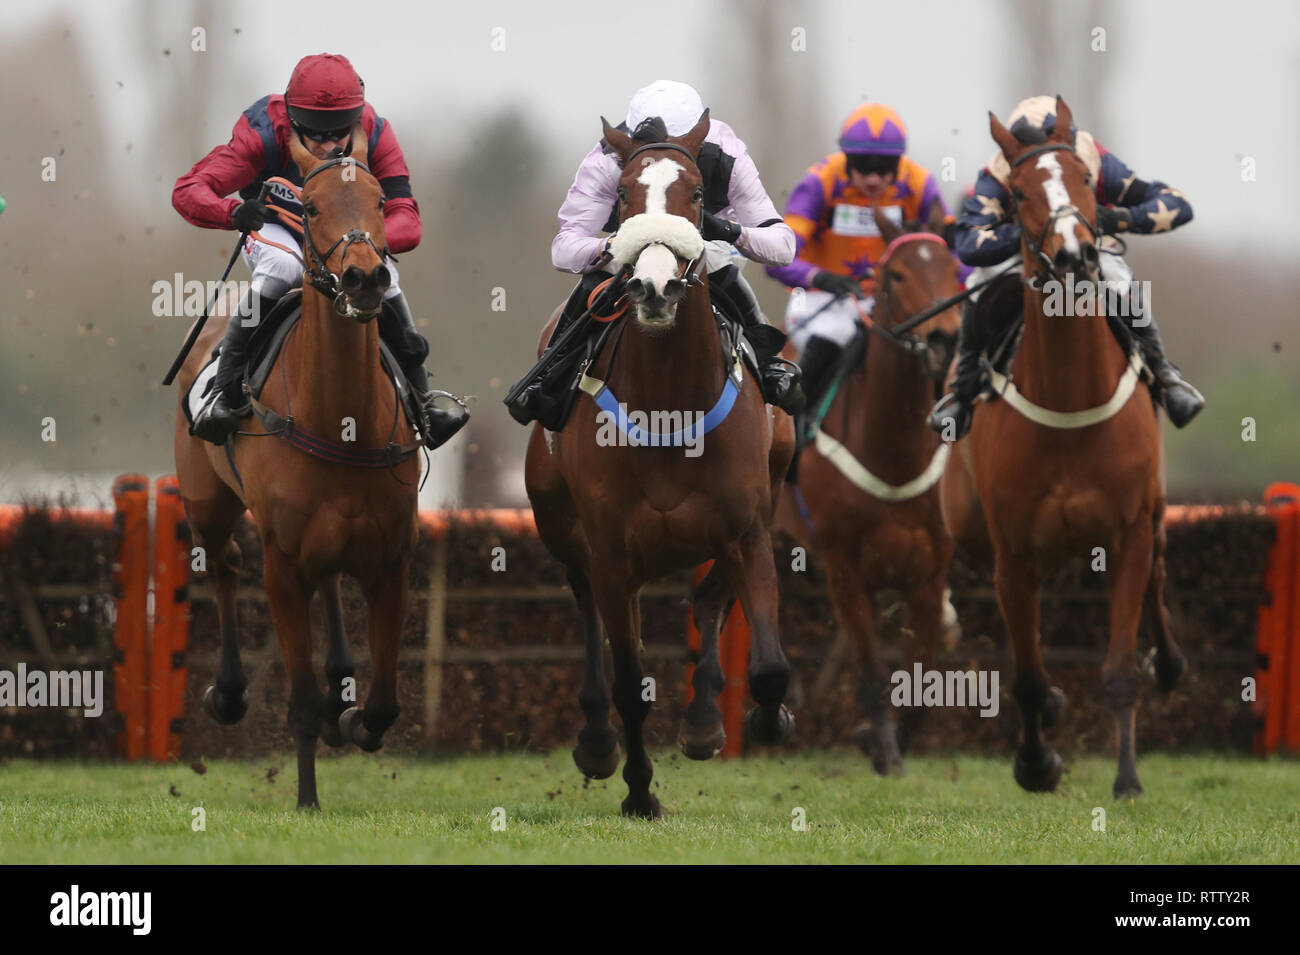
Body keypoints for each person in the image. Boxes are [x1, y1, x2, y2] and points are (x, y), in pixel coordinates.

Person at [172, 52, 467, 447]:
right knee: (283, 269)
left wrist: (360, 243)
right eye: (316, 133)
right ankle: (223, 393)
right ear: (292, 120)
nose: (329, 145)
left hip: (345, 237)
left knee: (386, 275)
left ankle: (424, 402)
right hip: (276, 228)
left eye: (338, 132)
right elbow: (188, 191)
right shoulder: (261, 134)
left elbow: (407, 219)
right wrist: (234, 212)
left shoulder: (376, 132)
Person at [507, 79, 803, 427]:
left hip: (702, 249)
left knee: (721, 261)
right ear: (629, 141)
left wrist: (729, 231)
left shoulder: (728, 154)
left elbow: (783, 246)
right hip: (629, 249)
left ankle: (769, 366)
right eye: (646, 149)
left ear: (698, 141)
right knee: (596, 277)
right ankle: (548, 376)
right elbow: (564, 249)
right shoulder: (605, 160)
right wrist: (611, 245)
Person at [928, 95, 1204, 440]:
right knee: (983, 282)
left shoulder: (1090, 156)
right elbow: (969, 243)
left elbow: (1178, 205)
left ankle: (1164, 376)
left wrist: (1118, 218)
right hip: (1029, 257)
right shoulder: (999, 170)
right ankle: (964, 393)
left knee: (1118, 277)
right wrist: (1030, 236)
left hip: (1087, 248)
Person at [765, 103, 957, 410]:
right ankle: (799, 433)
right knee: (831, 337)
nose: (872, 179)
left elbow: (952, 250)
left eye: (883, 169)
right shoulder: (820, 182)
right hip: (822, 301)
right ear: (846, 158)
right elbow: (777, 256)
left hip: (891, 302)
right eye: (862, 167)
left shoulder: (920, 183)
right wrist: (821, 277)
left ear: (899, 162)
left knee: (936, 348)